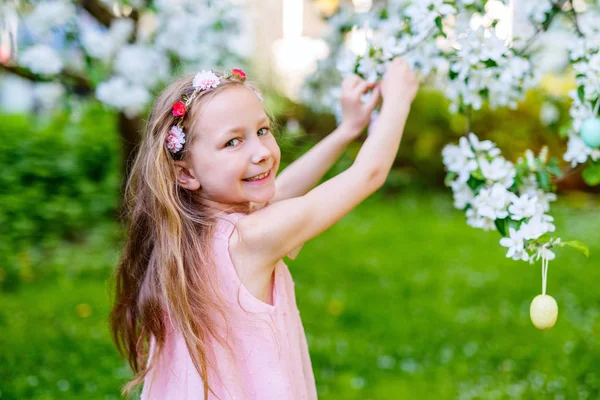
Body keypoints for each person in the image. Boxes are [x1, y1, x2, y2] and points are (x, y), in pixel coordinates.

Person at [109, 58, 418, 400]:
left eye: (262, 130)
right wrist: (399, 98)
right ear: (186, 173)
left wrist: (347, 130)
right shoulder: (251, 238)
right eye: (233, 142)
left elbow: (281, 191)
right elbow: (369, 174)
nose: (261, 152)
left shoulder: (192, 229)